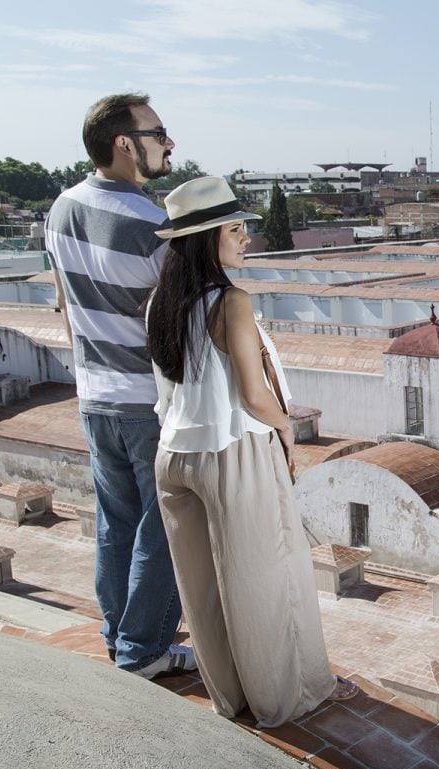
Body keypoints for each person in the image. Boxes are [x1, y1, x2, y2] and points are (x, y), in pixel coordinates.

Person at [145, 176, 356, 727]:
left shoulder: (161, 303)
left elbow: (167, 392)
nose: (246, 240)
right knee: (268, 577)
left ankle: (231, 697)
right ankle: (287, 699)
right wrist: (286, 428)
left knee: (204, 585)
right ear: (206, 238)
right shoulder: (231, 302)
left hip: (174, 456)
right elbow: (253, 393)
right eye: (235, 229)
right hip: (231, 452)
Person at [45, 93, 195, 679]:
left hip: (94, 398)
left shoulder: (59, 209)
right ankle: (143, 652)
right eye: (158, 133)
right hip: (146, 403)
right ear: (124, 144)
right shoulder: (154, 222)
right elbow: (180, 322)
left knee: (117, 523)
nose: (170, 143)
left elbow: (64, 305)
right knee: (164, 529)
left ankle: (118, 637)